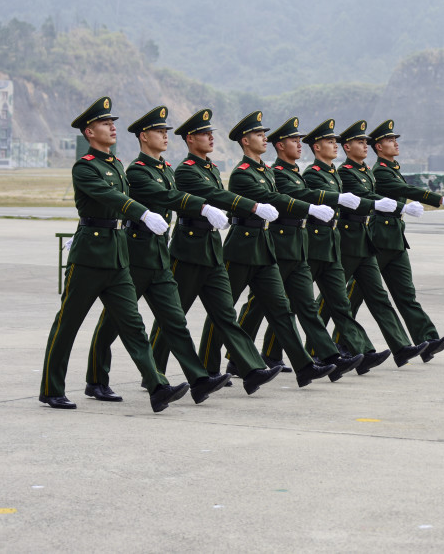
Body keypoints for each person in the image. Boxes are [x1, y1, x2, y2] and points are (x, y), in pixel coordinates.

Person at [39, 96, 189, 412]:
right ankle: (52, 388)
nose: (112, 127)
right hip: (90, 255)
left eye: (112, 122)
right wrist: (143, 213)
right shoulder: (84, 167)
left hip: (119, 255)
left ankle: (157, 386)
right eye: (105, 123)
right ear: (89, 132)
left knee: (133, 325)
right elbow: (107, 196)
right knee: (68, 323)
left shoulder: (117, 165)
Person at [83, 105, 232, 405]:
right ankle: (96, 380)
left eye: (166, 131)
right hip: (134, 255)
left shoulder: (166, 170)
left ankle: (198, 379)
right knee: (113, 321)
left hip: (160, 255)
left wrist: (204, 209)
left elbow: (176, 199)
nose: (165, 136)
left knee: (175, 320)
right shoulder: (137, 172)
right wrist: (203, 207)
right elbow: (168, 198)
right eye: (159, 132)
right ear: (143, 136)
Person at [148, 108, 298, 395]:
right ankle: (154, 372)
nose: (210, 138)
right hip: (188, 250)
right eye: (204, 134)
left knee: (225, 314)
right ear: (191, 139)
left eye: (210, 133)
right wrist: (250, 206)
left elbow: (220, 198)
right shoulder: (185, 171)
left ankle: (251, 369)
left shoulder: (211, 169)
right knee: (174, 315)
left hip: (211, 248)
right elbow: (217, 196)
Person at [191, 110, 337, 388]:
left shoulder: (266, 172)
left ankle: (303, 366)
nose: (264, 138)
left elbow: (278, 195)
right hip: (242, 248)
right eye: (258, 135)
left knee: (281, 309)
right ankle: (209, 366)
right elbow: (272, 198)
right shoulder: (243, 174)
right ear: (245, 142)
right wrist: (309, 207)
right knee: (224, 310)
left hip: (266, 247)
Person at [220, 115, 362, 381]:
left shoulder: (276, 173)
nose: (299, 144)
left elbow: (290, 197)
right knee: (241, 309)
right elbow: (278, 199)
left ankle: (321, 359)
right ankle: (226, 364)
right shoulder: (247, 174)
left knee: (294, 307)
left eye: (299, 139)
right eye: (293, 140)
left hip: (288, 244)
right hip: (258, 245)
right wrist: (314, 206)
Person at [296, 118, 427, 371]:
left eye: (336, 140)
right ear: (316, 147)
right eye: (330, 141)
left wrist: (392, 205)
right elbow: (352, 199)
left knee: (376, 297)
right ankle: (317, 351)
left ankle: (395, 347)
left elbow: (365, 196)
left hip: (360, 239)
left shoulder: (342, 173)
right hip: (333, 242)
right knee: (325, 302)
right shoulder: (315, 175)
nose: (335, 145)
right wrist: (387, 205)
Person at [364, 119, 444, 360]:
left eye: (395, 139)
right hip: (378, 240)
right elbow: (411, 192)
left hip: (395, 239)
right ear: (378, 147)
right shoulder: (380, 172)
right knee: (357, 297)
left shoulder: (392, 169)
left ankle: (426, 340)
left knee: (406, 295)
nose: (395, 143)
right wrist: (441, 200)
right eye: (390, 140)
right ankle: (345, 345)